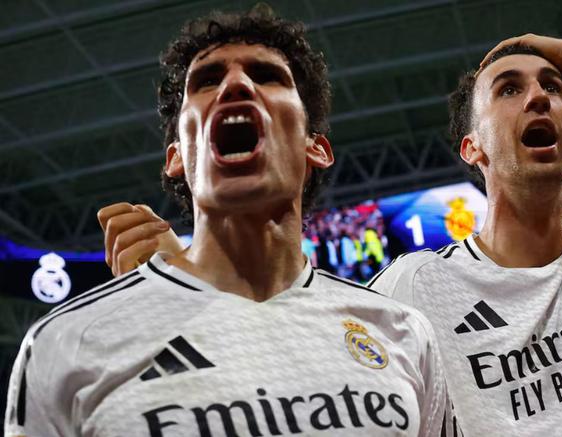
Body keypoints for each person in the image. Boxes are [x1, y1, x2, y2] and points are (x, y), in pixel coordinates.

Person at [101, 34, 562, 436]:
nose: (537, 97)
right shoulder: (416, 287)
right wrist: (189, 293)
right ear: (473, 148)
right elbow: (287, 392)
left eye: (553, 89)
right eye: (508, 90)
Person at [4, 9, 445, 436]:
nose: (236, 84)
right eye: (207, 80)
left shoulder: (399, 331)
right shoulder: (68, 343)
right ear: (176, 157)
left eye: (267, 76)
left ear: (316, 148)